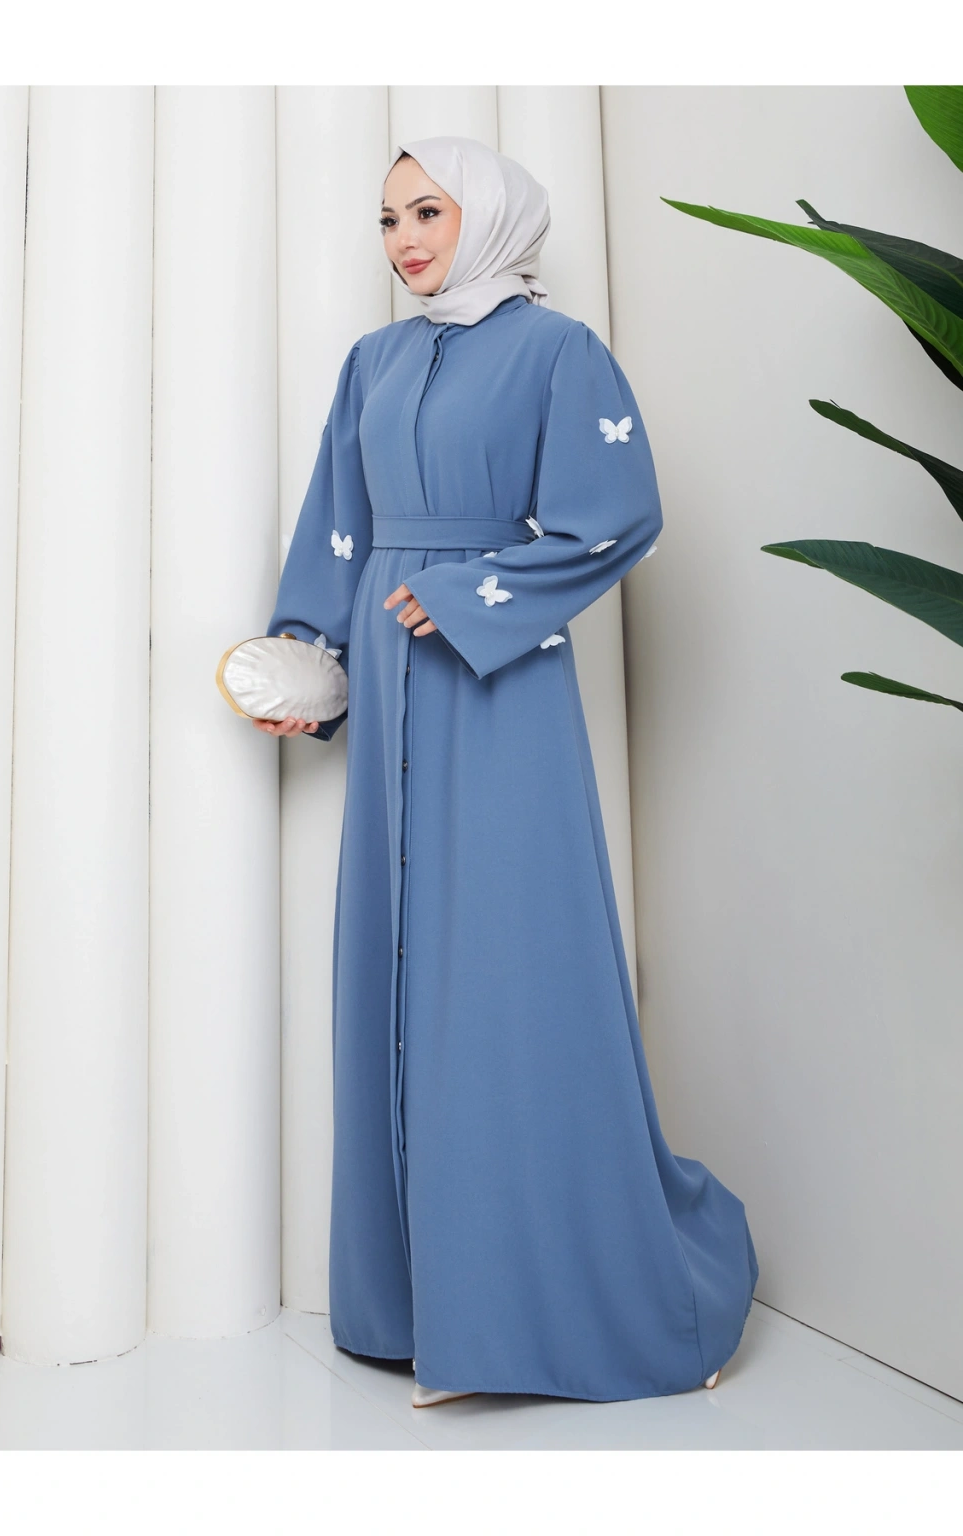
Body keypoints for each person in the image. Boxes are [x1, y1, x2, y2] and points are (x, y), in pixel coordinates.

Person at [255, 136, 758, 1407]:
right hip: (392, 668)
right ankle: (417, 1307)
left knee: (503, 972)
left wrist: (476, 592)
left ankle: (532, 1311)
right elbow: (338, 525)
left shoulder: (557, 351)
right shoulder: (372, 362)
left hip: (498, 680)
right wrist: (309, 657)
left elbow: (617, 512)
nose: (405, 240)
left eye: (427, 211)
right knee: (398, 967)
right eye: (388, 220)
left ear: (485, 215)